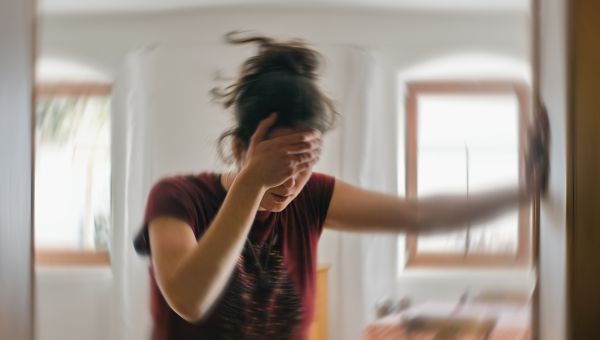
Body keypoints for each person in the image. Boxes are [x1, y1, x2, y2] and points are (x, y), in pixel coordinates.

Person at [133, 32, 549, 340]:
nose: (290, 180)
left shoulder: (313, 196)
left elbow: (418, 214)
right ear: (241, 147)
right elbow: (190, 300)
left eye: (304, 162)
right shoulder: (177, 198)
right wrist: (252, 183)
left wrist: (524, 190)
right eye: (277, 161)